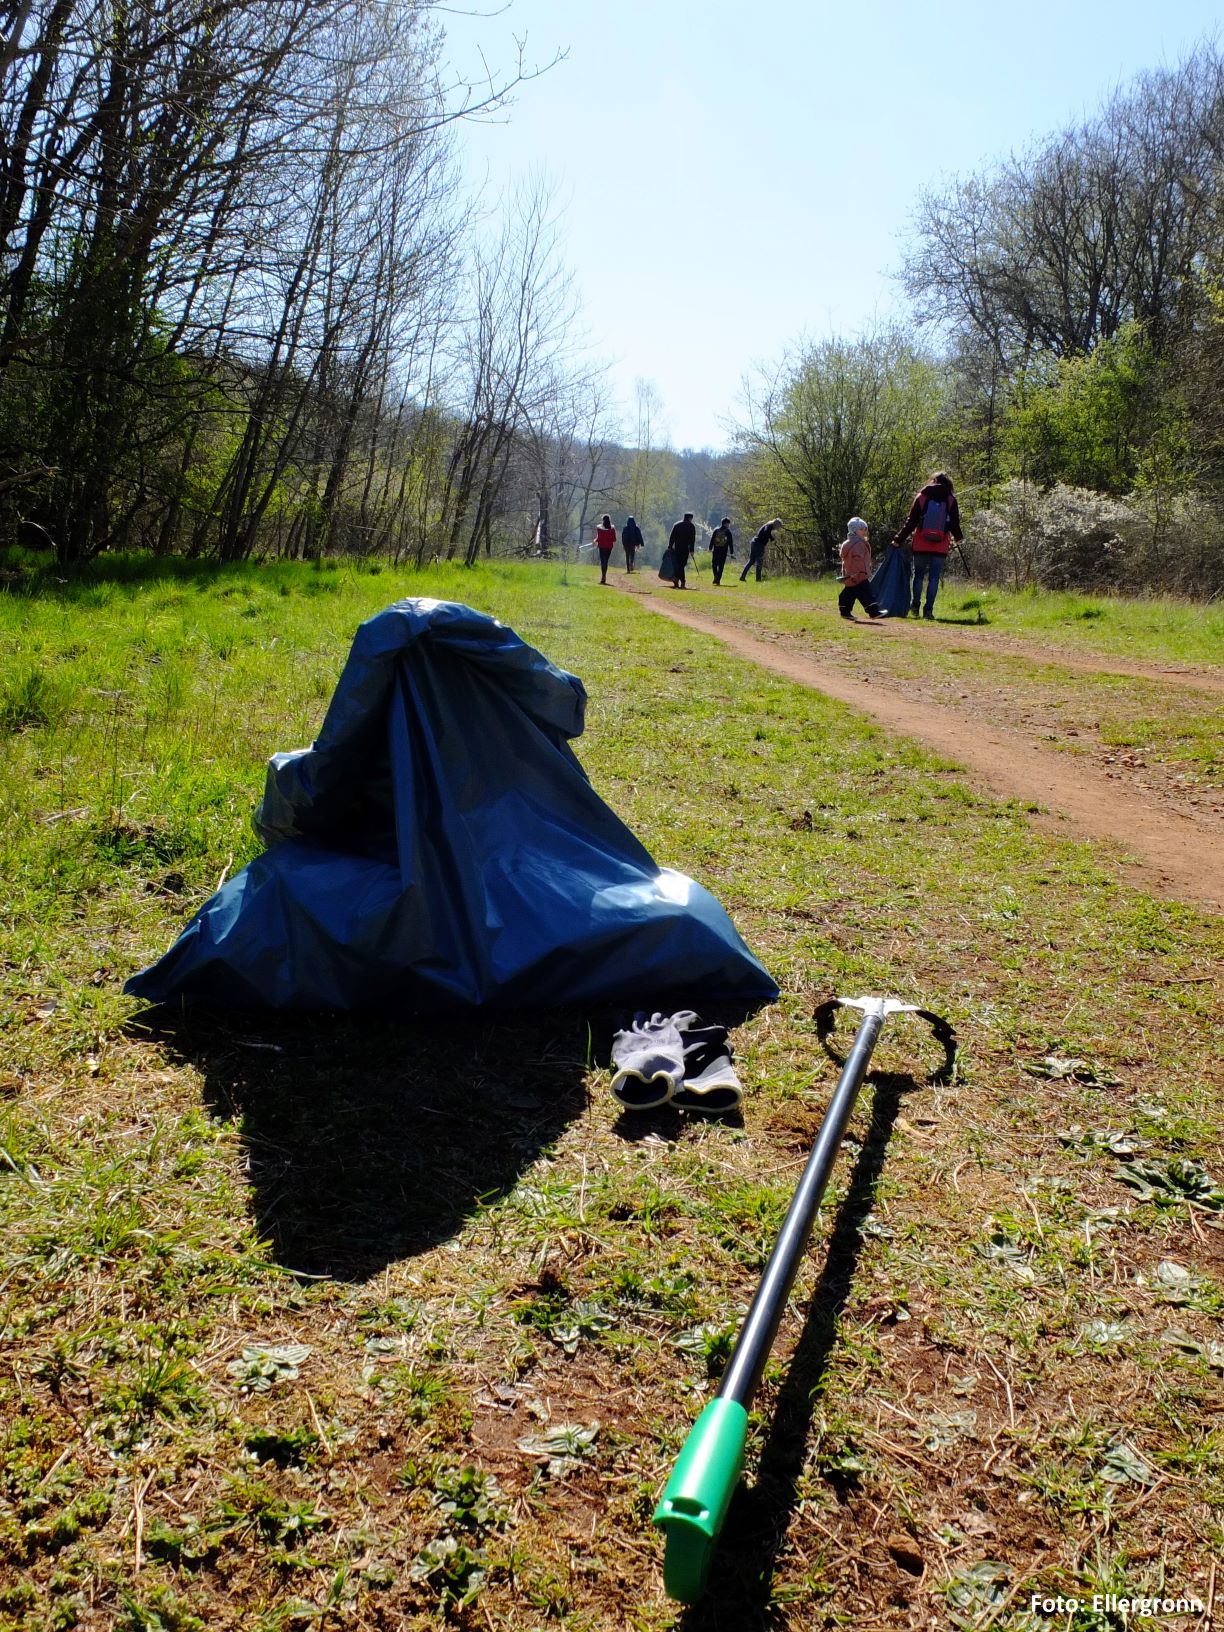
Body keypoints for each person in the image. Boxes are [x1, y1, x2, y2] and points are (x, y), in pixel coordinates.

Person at [891, 472, 962, 619]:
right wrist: (958, 538)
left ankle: (915, 606)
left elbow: (911, 523)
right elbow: (954, 523)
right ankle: (928, 610)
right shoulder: (950, 499)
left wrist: (898, 539)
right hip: (941, 544)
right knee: (934, 578)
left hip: (921, 543)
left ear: (933, 481)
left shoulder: (922, 497)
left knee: (918, 576)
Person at [837, 517, 886, 620]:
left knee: (849, 592)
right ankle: (874, 612)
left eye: (865, 529)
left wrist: (847, 573)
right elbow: (858, 560)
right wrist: (860, 572)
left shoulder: (848, 543)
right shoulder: (858, 544)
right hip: (859, 574)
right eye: (861, 529)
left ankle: (845, 611)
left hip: (850, 574)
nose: (864, 531)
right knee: (866, 593)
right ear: (854, 530)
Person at [740, 517, 782, 582]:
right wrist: (772, 539)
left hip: (754, 542)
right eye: (778, 526)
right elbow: (766, 532)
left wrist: (771, 539)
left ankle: (742, 577)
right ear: (776, 524)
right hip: (758, 545)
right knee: (759, 562)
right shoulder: (769, 526)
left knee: (751, 561)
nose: (778, 528)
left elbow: (766, 533)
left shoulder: (767, 525)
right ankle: (758, 579)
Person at [667, 511, 697, 588]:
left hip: (677, 548)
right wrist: (692, 550)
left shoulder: (677, 525)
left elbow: (672, 536)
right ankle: (682, 581)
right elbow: (692, 539)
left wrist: (670, 546)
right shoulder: (691, 526)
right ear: (690, 518)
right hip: (685, 548)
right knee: (682, 565)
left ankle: (676, 579)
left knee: (679, 565)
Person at [709, 517, 734, 584]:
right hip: (723, 551)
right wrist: (731, 552)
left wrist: (710, 548)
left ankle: (715, 576)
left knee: (714, 564)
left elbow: (712, 540)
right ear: (726, 523)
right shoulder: (728, 531)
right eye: (729, 524)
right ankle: (718, 580)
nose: (729, 525)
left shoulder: (716, 530)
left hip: (716, 550)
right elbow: (730, 542)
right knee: (721, 565)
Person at [593, 514, 617, 584]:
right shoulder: (612, 528)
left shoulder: (599, 528)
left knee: (602, 561)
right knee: (606, 561)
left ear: (603, 520)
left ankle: (603, 576)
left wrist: (595, 540)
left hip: (601, 546)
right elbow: (614, 539)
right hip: (609, 547)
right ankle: (604, 575)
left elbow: (598, 538)